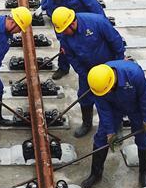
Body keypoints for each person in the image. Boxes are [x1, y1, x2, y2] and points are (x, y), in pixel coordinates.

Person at [81, 60, 146, 188]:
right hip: (113, 107)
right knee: (102, 137)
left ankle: (144, 172)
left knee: (144, 138)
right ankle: (95, 174)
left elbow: (144, 97)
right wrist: (110, 132)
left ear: (112, 80)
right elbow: (104, 110)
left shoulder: (134, 73)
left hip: (136, 105)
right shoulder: (98, 85)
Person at [52, 7, 126, 138]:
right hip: (87, 70)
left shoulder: (97, 22)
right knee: (84, 96)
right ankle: (87, 123)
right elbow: (70, 56)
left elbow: (116, 41)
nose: (63, 33)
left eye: (64, 30)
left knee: (114, 97)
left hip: (109, 68)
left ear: (72, 23)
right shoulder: (63, 33)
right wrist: (83, 73)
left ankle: (117, 125)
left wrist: (117, 66)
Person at [40, 0, 105, 80]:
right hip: (68, 29)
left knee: (95, 47)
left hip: (87, 23)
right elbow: (57, 25)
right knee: (65, 49)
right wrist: (63, 41)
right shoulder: (51, 4)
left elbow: (94, 6)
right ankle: (63, 68)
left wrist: (102, 26)